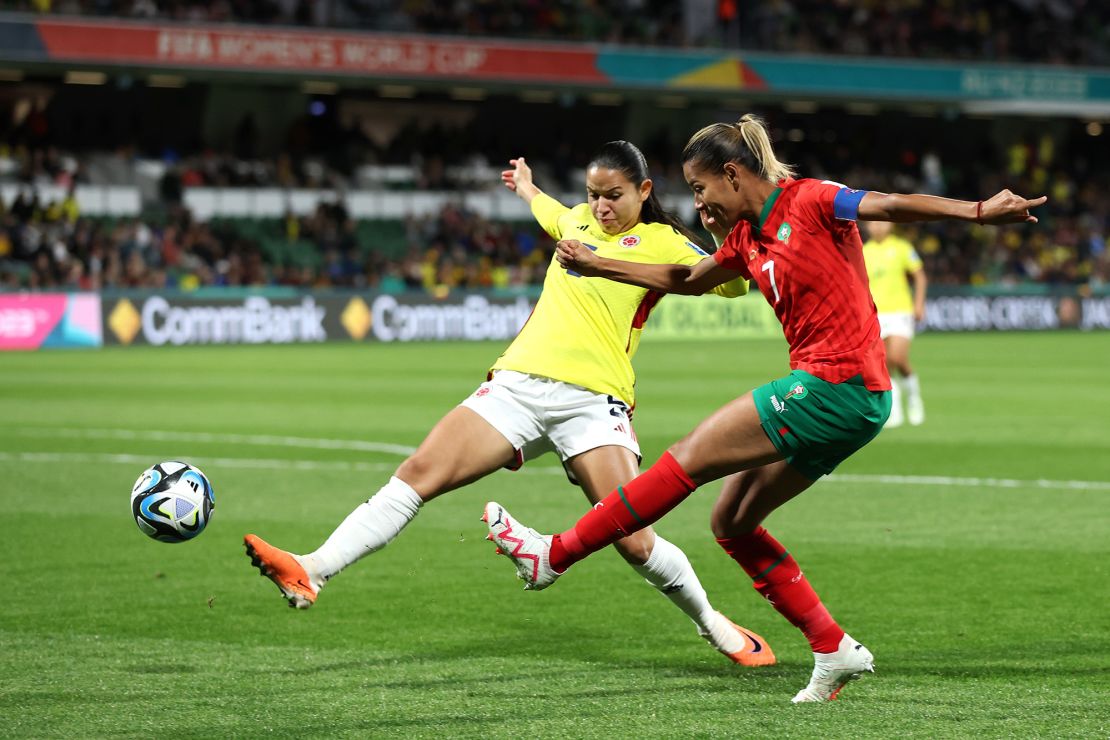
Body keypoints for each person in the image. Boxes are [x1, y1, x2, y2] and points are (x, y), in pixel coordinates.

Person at [484, 115, 1046, 702]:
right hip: (848, 402)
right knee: (731, 523)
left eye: (701, 189)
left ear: (732, 174)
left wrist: (978, 212)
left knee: (689, 458)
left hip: (839, 385)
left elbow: (891, 204)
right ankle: (833, 648)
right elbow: (688, 277)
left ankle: (557, 553)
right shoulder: (747, 239)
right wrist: (601, 264)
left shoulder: (812, 200)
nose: (698, 204)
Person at [244, 141, 777, 667]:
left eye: (612, 195)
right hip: (516, 386)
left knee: (635, 541)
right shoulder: (576, 223)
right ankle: (312, 569)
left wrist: (717, 228)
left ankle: (715, 626)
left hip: (593, 401)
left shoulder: (663, 241)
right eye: (592, 195)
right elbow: (551, 211)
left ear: (643, 190)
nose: (600, 207)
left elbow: (732, 285)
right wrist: (525, 187)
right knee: (418, 473)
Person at [863, 221, 927, 427]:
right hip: (875, 314)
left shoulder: (902, 247)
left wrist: (918, 304)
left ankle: (914, 397)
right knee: (884, 364)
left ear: (889, 225)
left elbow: (920, 277)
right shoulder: (864, 250)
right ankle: (895, 408)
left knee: (898, 358)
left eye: (881, 223)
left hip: (900, 310)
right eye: (873, 224)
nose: (877, 227)